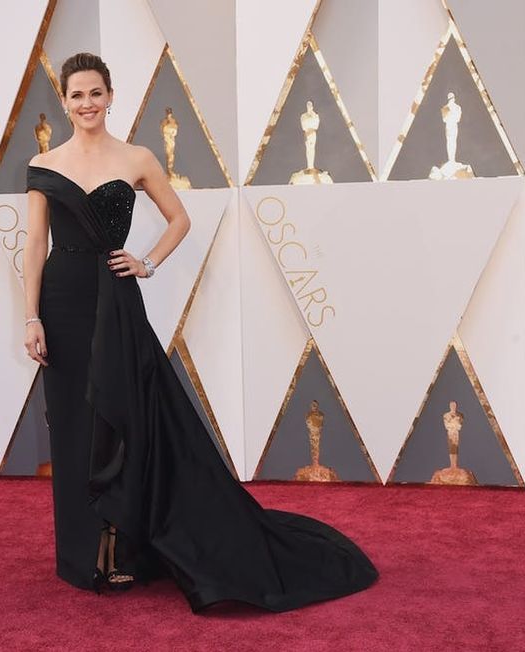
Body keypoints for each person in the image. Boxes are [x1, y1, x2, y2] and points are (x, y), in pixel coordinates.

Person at [22, 52, 377, 612]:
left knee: (123, 420)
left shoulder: (137, 158)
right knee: (71, 425)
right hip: (62, 301)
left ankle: (122, 549)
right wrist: (31, 315)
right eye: (76, 95)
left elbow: (179, 218)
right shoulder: (43, 165)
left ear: (111, 97)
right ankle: (82, 553)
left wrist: (148, 262)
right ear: (63, 101)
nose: (86, 104)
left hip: (115, 301)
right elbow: (34, 248)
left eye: (95, 93)